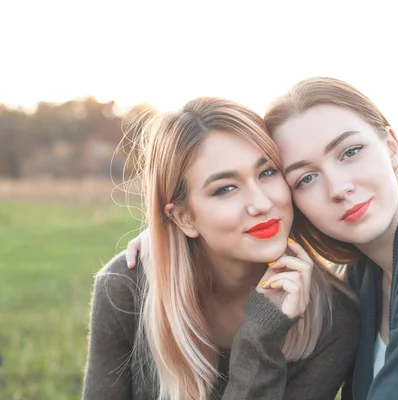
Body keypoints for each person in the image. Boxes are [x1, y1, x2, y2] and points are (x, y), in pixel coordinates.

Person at [127, 78, 398, 399]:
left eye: (351, 152)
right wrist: (182, 234)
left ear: (392, 146)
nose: (339, 187)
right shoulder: (363, 275)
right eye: (305, 177)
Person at [82, 97, 359, 400]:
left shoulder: (332, 318)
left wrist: (260, 336)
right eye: (225, 189)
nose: (262, 204)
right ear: (184, 217)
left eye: (267, 172)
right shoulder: (125, 289)